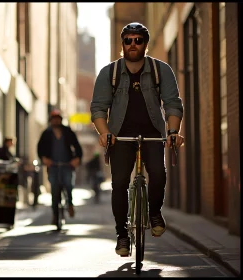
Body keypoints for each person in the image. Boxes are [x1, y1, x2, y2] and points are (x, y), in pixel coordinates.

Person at [90, 22, 185, 256]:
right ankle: (122, 235)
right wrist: (104, 133)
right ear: (122, 44)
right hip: (119, 137)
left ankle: (154, 213)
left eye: (138, 40)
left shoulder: (160, 70)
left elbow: (173, 103)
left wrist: (173, 132)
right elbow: (98, 108)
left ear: (145, 44)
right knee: (119, 183)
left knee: (159, 173)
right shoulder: (109, 73)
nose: (133, 44)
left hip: (153, 133)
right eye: (128, 40)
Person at [37, 109, 83, 228]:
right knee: (54, 191)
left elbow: (77, 147)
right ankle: (55, 215)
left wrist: (77, 158)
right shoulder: (46, 133)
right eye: (53, 119)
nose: (56, 121)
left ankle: (70, 204)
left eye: (58, 118)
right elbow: (40, 148)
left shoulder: (68, 132)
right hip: (53, 166)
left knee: (68, 185)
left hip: (67, 165)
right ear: (50, 120)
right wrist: (44, 159)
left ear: (61, 120)